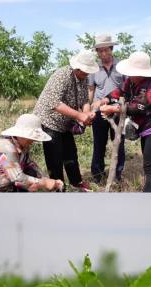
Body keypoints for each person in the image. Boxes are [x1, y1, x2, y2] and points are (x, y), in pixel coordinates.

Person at [97, 51, 151, 192]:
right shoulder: (131, 82)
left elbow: (137, 108)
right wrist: (106, 99)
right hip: (149, 130)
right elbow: (119, 91)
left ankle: (146, 203)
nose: (130, 75)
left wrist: (113, 109)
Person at [34, 50, 98, 192]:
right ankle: (58, 188)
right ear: (77, 68)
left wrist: (87, 114)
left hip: (65, 123)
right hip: (49, 120)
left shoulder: (83, 78)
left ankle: (76, 182)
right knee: (54, 156)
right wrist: (79, 116)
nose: (88, 74)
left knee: (71, 152)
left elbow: (84, 100)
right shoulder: (62, 75)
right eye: (86, 71)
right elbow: (54, 103)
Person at [0, 114, 64, 192]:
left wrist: (45, 178)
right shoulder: (5, 149)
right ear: (21, 134)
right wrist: (44, 183)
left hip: (1, 192)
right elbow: (17, 178)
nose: (33, 141)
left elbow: (30, 165)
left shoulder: (22, 146)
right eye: (31, 137)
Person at [88, 33, 126, 184]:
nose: (104, 53)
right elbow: (91, 89)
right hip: (99, 113)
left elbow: (126, 89)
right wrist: (89, 108)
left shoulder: (122, 66)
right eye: (100, 51)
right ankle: (97, 175)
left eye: (106, 50)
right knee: (99, 144)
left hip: (117, 111)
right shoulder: (93, 69)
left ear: (111, 48)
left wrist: (120, 107)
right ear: (97, 52)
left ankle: (117, 175)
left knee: (119, 143)